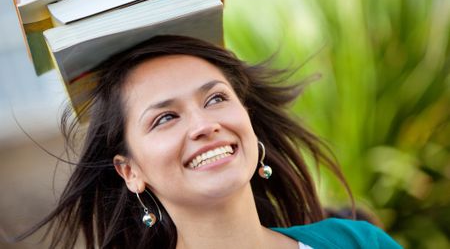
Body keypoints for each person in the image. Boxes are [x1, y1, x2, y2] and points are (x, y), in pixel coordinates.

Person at [16, 35, 402, 248]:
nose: (203, 124)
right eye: (165, 117)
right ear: (130, 171)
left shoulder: (358, 243)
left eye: (216, 98)